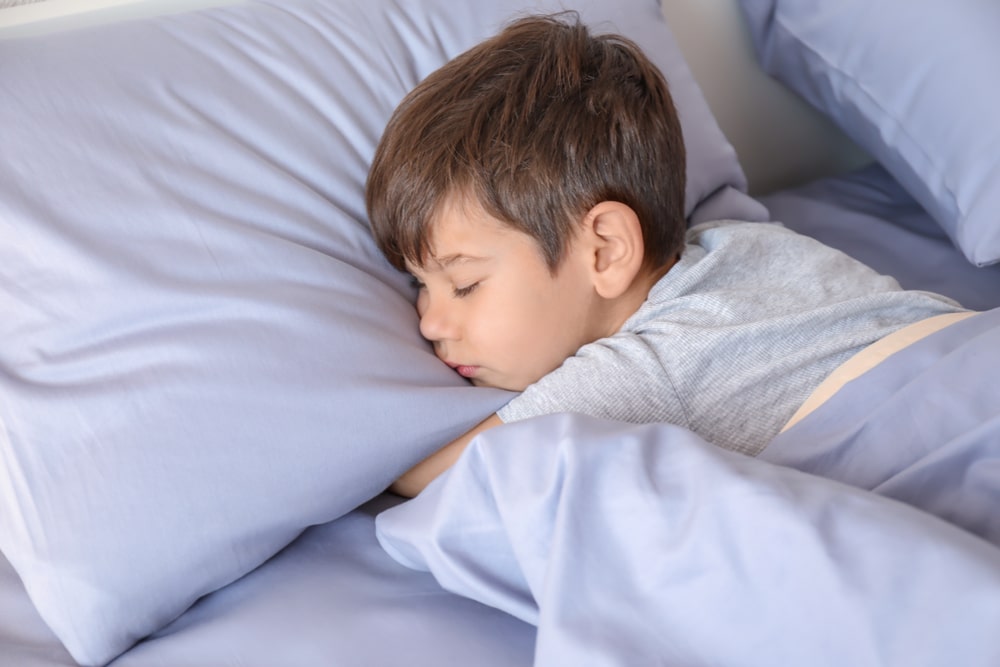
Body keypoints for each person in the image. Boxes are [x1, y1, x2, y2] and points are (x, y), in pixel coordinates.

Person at [365, 13, 968, 497]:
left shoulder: (642, 372)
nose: (430, 323)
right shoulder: (738, 242)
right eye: (419, 284)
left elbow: (429, 476)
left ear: (605, 250)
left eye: (464, 285)